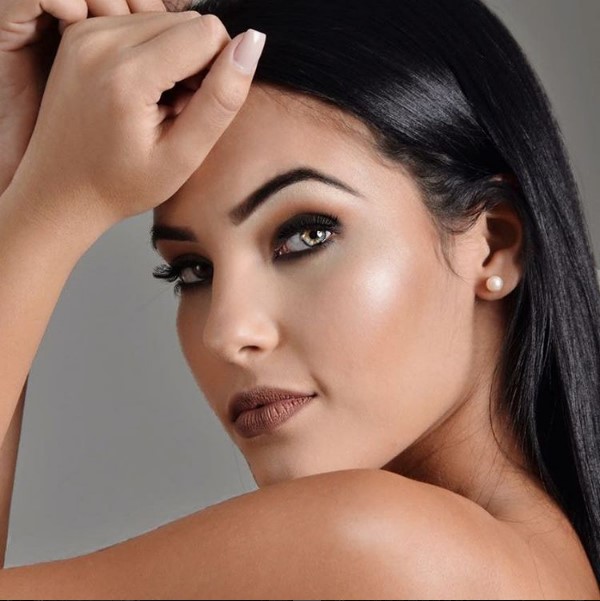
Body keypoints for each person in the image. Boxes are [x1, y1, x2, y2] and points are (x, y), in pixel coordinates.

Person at [0, 0, 598, 597]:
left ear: (493, 244)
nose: (227, 333)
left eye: (306, 235)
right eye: (193, 270)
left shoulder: (386, 551)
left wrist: (46, 207)